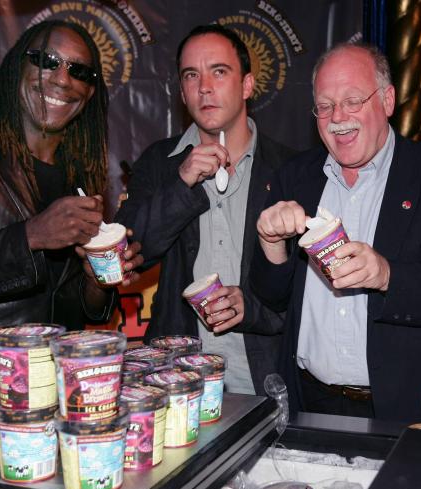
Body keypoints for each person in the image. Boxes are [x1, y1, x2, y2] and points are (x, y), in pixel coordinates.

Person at [251, 42, 421, 422]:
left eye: (353, 100)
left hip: (408, 410)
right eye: (324, 106)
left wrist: (388, 275)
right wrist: (271, 244)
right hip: (310, 402)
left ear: (388, 100)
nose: (337, 117)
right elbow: (272, 299)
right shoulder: (295, 177)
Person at [115, 25, 294, 395]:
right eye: (191, 75)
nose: (204, 87)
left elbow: (309, 285)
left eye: (219, 71)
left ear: (247, 85)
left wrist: (253, 308)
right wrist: (181, 185)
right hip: (179, 380)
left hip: (269, 379)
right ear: (182, 92)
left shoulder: (289, 168)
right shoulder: (160, 163)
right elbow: (126, 256)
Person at [0, 20, 143, 391]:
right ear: (19, 66)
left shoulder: (79, 177)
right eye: (47, 60)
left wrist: (98, 281)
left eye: (79, 71)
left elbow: (73, 305)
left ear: (90, 92)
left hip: (58, 388)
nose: (63, 80)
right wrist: (30, 236)